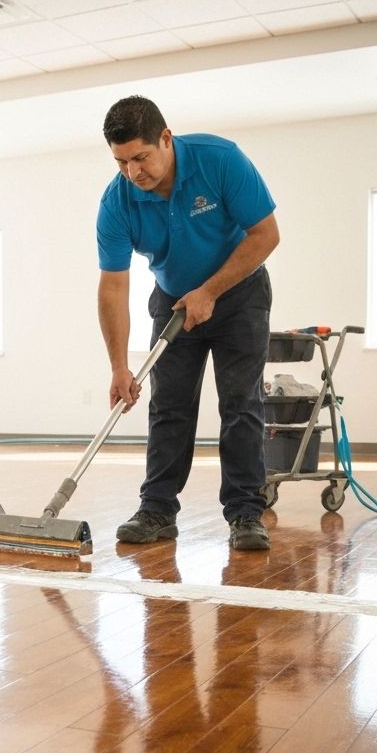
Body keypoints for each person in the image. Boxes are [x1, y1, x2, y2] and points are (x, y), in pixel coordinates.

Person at [96, 96, 280, 551]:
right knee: (169, 407)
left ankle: (245, 513)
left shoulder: (220, 160)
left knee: (240, 404)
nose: (133, 172)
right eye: (121, 162)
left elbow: (266, 234)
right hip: (173, 299)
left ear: (166, 138)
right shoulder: (117, 202)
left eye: (141, 157)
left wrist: (211, 291)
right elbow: (113, 288)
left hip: (240, 294)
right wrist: (119, 366)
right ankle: (157, 509)